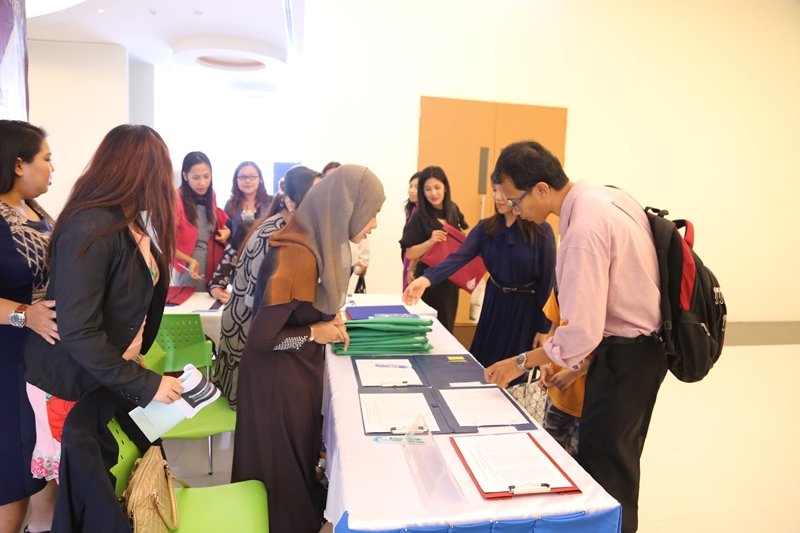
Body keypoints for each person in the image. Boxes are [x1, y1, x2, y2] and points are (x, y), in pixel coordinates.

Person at [483, 140, 666, 533]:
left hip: (625, 358)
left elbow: (581, 331)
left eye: (515, 200)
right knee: (618, 460)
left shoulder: (583, 230)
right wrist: (573, 366)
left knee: (605, 469)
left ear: (541, 189)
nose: (515, 209)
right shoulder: (606, 197)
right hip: (636, 354)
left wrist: (520, 363)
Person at [232, 164, 385, 533]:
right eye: (372, 212)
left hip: (295, 373)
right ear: (346, 208)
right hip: (276, 381)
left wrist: (326, 322)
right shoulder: (297, 255)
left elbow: (305, 309)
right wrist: (316, 332)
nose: (374, 224)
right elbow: (263, 339)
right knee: (281, 474)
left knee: (297, 463)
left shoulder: (318, 244)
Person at [24, 124, 185, 449]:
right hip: (73, 381)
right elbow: (79, 330)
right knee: (73, 476)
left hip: (109, 373)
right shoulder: (90, 227)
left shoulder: (127, 222)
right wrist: (145, 383)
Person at [403, 181, 556, 372]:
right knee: (484, 366)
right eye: (494, 190)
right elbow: (458, 258)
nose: (498, 197)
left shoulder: (542, 230)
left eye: (503, 192)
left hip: (526, 309)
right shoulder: (486, 228)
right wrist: (426, 279)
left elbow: (548, 281)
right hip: (494, 304)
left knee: (516, 372)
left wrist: (544, 327)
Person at [212, 166, 321, 409]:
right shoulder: (271, 236)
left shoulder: (292, 230)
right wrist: (309, 333)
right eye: (314, 197)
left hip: (260, 335)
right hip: (247, 338)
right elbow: (260, 314)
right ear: (290, 202)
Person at [0, 120, 57, 533]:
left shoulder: (37, 211)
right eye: (47, 159)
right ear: (19, 164)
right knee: (13, 478)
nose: (52, 168)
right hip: (8, 362)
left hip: (40, 361)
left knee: (41, 467)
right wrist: (25, 314)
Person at [399, 165, 467, 332]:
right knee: (427, 326)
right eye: (428, 189)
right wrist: (430, 241)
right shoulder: (419, 215)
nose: (434, 193)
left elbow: (462, 234)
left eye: (437, 187)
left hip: (450, 278)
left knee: (447, 325)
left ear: (445, 187)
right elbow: (410, 252)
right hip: (427, 279)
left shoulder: (453, 209)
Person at [173, 151, 230, 298]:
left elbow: (218, 223)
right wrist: (190, 260)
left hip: (211, 261)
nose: (202, 183)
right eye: (196, 177)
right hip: (189, 266)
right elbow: (166, 244)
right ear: (185, 176)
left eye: (206, 176)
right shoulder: (175, 200)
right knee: (191, 304)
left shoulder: (211, 195)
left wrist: (227, 232)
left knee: (210, 304)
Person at [223, 160, 272, 250]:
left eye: (252, 176)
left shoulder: (272, 202)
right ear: (236, 180)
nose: (248, 180)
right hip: (237, 255)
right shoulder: (230, 205)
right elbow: (226, 235)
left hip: (265, 254)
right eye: (243, 177)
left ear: (260, 179)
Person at [401, 171, 420, 290]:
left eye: (416, 187)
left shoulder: (422, 213)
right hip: (408, 261)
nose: (411, 190)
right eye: (411, 186)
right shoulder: (413, 209)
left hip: (416, 263)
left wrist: (412, 267)